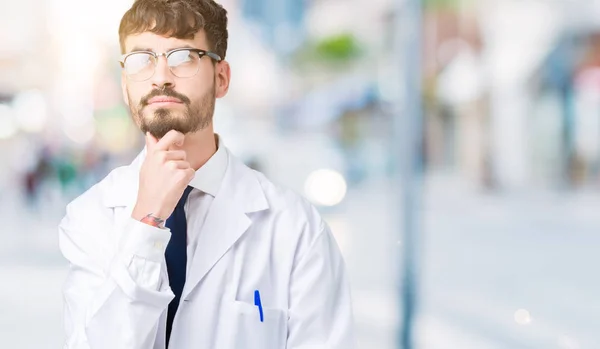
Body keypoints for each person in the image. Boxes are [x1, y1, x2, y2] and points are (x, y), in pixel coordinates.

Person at [57, 0, 354, 348]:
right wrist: (146, 222)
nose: (160, 76)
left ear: (222, 78)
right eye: (142, 60)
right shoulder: (89, 218)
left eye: (183, 56)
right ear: (125, 85)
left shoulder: (296, 227)